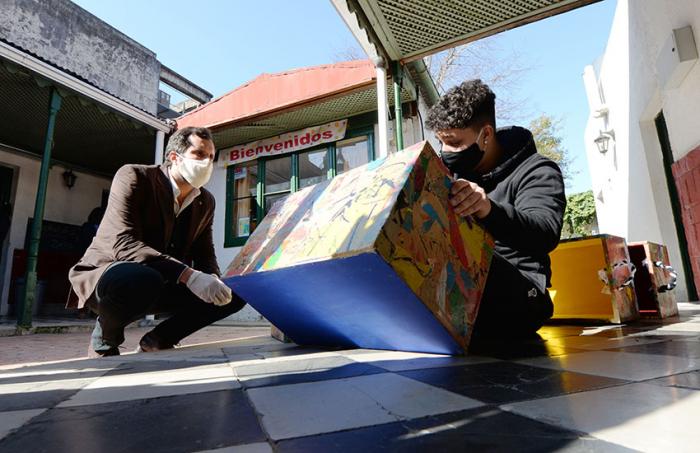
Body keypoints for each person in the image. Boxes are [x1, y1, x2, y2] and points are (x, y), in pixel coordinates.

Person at [69, 127, 246, 356]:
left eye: (211, 157)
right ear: (174, 157)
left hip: (164, 281)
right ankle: (105, 338)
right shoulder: (134, 176)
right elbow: (124, 243)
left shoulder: (205, 201)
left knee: (235, 293)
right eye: (200, 155)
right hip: (109, 276)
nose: (207, 163)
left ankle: (158, 339)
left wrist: (211, 278)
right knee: (142, 278)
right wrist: (189, 276)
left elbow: (204, 250)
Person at [425, 79, 566, 339]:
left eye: (454, 143)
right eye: (441, 142)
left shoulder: (537, 170)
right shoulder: (450, 176)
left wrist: (488, 209)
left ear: (486, 135)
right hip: (463, 289)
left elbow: (545, 232)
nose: (446, 152)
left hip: (523, 292)